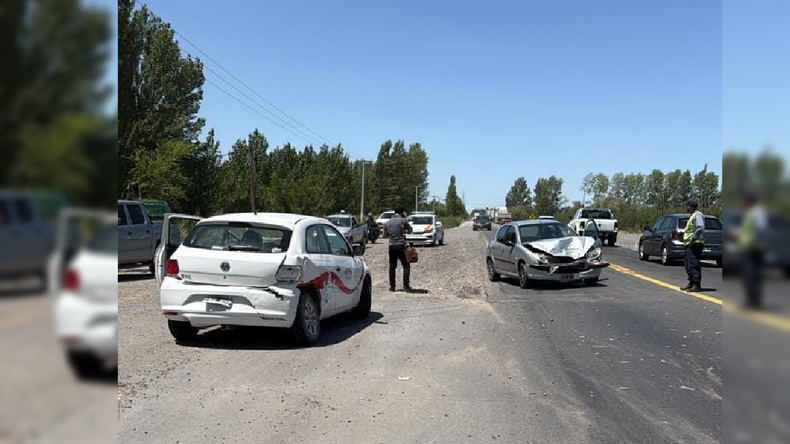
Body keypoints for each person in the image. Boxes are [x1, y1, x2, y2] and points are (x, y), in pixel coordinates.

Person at [739, 192, 767, 309]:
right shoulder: (750, 213)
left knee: (753, 274)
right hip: (748, 248)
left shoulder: (758, 213)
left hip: (754, 248)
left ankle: (755, 301)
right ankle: (751, 300)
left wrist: (752, 243)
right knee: (748, 274)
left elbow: (761, 229)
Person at [681, 199, 705, 292]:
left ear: (691, 207)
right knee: (688, 264)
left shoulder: (697, 215)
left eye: (687, 206)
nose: (686, 208)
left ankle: (696, 284)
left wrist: (693, 239)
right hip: (689, 244)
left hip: (695, 243)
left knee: (693, 264)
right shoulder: (692, 216)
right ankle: (691, 283)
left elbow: (700, 228)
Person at [385, 207, 412, 292]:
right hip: (401, 246)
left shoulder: (388, 222)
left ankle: (392, 286)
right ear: (402, 213)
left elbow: (384, 235)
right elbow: (410, 230)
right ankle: (406, 285)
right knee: (406, 265)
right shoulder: (403, 220)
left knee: (392, 266)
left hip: (391, 246)